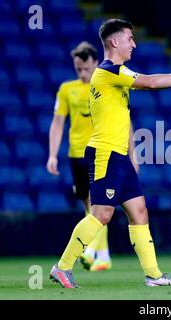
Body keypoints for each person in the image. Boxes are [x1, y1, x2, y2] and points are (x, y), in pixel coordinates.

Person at [50, 19, 171, 288]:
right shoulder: (107, 72)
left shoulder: (114, 73)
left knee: (139, 212)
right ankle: (62, 267)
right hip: (105, 153)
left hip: (119, 156)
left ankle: (153, 275)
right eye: (130, 38)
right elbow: (150, 83)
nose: (134, 43)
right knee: (102, 214)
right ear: (115, 42)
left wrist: (132, 154)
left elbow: (125, 116)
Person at [46, 41, 123, 272]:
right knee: (89, 205)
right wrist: (52, 155)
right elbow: (58, 123)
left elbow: (123, 119)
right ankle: (104, 256)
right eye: (78, 69)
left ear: (96, 64)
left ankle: (88, 250)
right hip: (76, 153)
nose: (82, 73)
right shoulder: (66, 89)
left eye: (86, 68)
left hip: (101, 150)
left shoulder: (106, 86)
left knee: (96, 203)